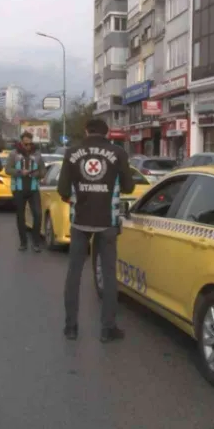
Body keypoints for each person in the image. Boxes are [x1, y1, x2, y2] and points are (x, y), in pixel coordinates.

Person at [58, 118, 135, 343]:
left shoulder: (72, 153)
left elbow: (63, 189)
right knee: (110, 275)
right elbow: (129, 186)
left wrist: (76, 197)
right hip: (107, 222)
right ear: (107, 133)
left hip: (80, 222)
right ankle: (107, 329)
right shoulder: (118, 153)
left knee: (74, 274)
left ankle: (71, 327)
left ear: (85, 131)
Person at [4, 132, 46, 252]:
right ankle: (23, 242)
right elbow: (7, 169)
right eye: (25, 143)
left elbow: (43, 171)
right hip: (19, 189)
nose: (28, 146)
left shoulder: (37, 154)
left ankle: (36, 242)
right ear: (21, 142)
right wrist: (20, 172)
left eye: (30, 143)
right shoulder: (14, 154)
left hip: (33, 188)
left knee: (38, 214)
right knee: (20, 216)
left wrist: (36, 174)